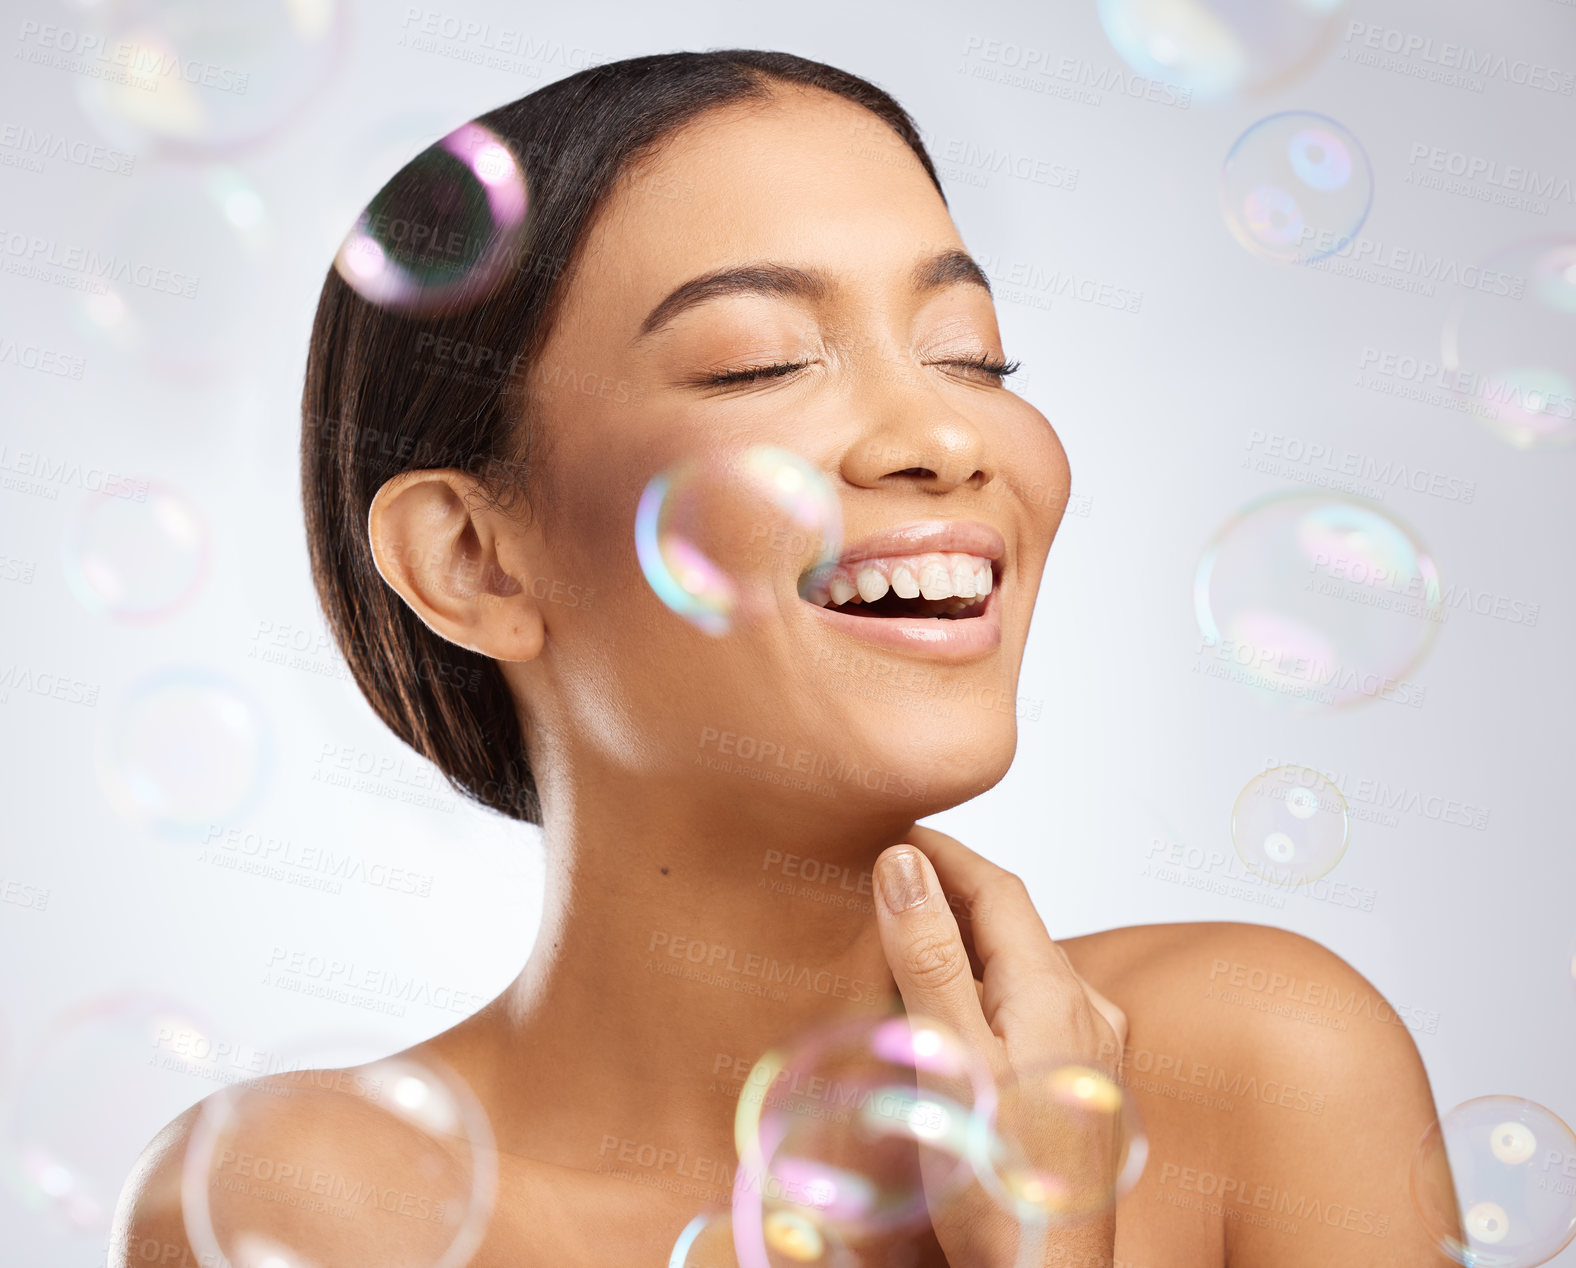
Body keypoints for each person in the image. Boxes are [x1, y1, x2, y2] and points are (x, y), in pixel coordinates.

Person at [110, 49, 1456, 1266]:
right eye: (761, 364)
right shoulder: (306, 1208)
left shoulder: (1266, 1067)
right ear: (474, 562)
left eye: (974, 357)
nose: (947, 436)